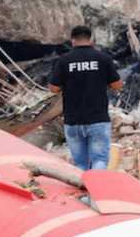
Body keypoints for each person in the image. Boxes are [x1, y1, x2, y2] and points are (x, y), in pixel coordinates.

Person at [48, 26, 123, 170]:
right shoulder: (103, 58)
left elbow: (54, 88)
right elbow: (117, 85)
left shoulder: (64, 60)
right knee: (99, 160)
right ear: (91, 39)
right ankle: (96, 192)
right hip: (98, 119)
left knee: (80, 165)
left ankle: (82, 191)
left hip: (73, 120)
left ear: (73, 40)